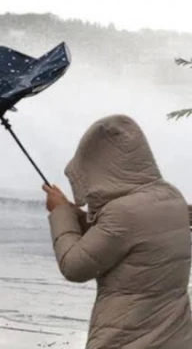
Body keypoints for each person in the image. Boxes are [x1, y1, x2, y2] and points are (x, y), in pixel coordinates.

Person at [42, 114, 192, 348]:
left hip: (127, 338)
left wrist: (60, 214)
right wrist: (72, 213)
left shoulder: (124, 212)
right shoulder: (170, 196)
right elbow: (119, 238)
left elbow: (74, 266)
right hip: (174, 337)